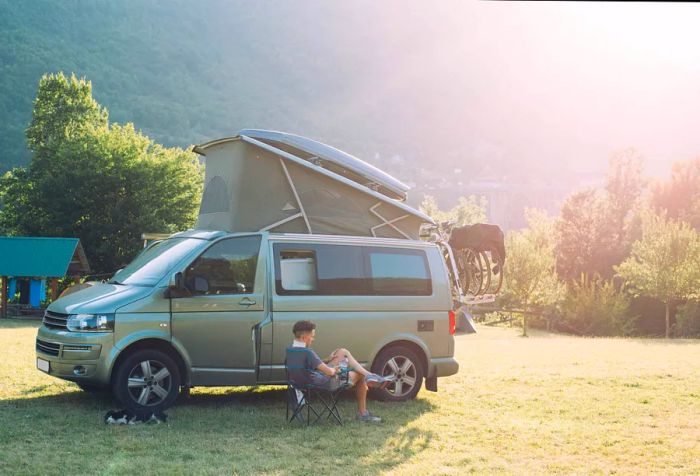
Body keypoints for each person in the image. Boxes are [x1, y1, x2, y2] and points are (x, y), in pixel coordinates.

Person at [286, 320, 393, 423]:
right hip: (327, 382)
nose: (313, 339)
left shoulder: (290, 349)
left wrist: (327, 360)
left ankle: (371, 376)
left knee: (342, 352)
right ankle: (363, 412)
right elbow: (329, 373)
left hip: (306, 382)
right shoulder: (307, 352)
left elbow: (305, 365)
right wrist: (335, 369)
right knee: (359, 375)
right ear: (304, 337)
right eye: (312, 336)